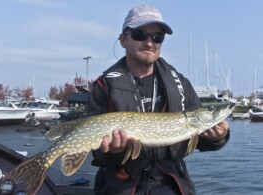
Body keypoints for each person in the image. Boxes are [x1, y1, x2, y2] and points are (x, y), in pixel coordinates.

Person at [87, 5, 230, 195]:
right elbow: (99, 155)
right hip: (120, 187)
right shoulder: (104, 86)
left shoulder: (181, 84)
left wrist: (218, 138)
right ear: (123, 39)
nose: (149, 42)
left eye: (157, 37)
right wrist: (113, 151)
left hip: (170, 183)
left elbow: (199, 142)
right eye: (140, 34)